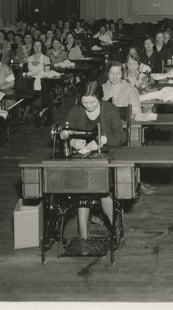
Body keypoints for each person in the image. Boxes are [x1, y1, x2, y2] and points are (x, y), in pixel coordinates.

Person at [64, 81, 126, 253]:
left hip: (107, 158)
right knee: (82, 192)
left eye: (92, 102)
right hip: (83, 159)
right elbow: (65, 132)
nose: (89, 106)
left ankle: (117, 233)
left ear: (100, 98)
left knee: (104, 193)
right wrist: (72, 141)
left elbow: (121, 136)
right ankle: (83, 238)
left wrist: (105, 139)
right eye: (85, 102)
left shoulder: (110, 109)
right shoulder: (77, 110)